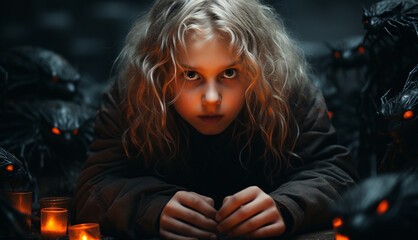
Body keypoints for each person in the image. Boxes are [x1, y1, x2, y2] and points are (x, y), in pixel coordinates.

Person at [71, 0, 359, 239]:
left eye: (229, 73)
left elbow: (337, 174)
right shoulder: (134, 96)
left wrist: (286, 206)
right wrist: (150, 209)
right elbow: (90, 188)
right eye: (191, 74)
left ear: (258, 68)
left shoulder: (286, 90)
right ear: (160, 72)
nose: (211, 98)